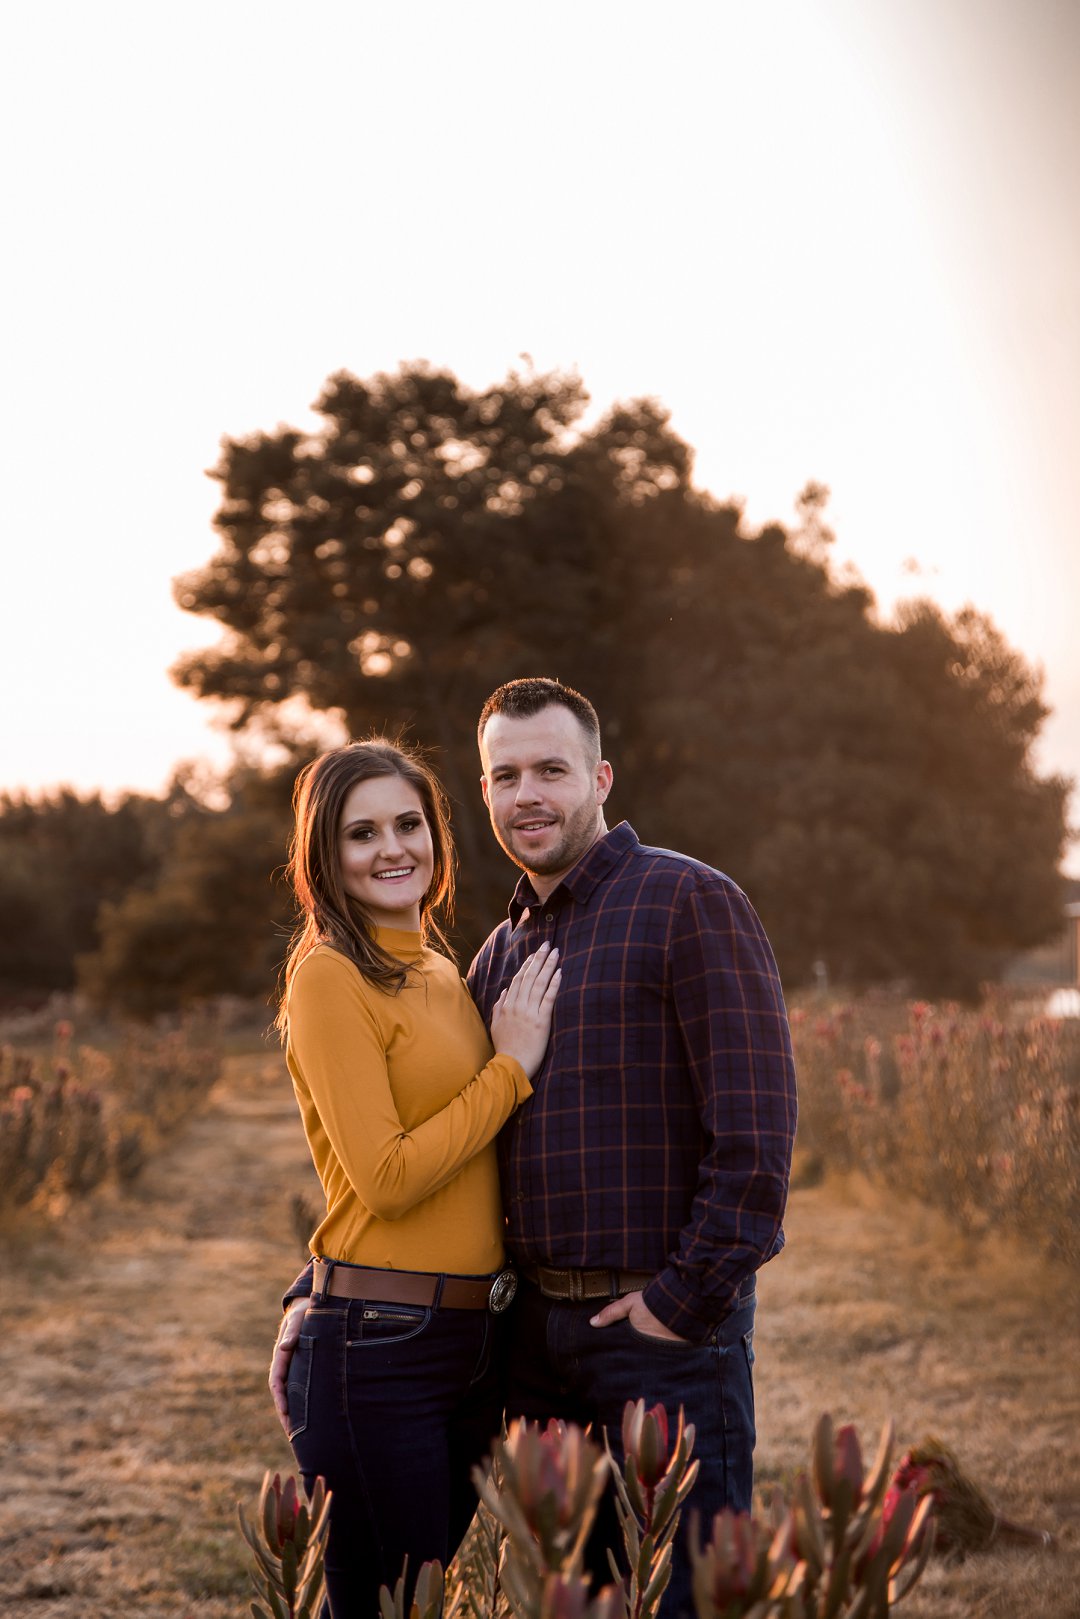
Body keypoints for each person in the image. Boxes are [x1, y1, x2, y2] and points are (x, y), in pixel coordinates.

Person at [467, 678, 798, 1617]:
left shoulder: (689, 901)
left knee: (688, 1597)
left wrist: (679, 1305)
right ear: (485, 793)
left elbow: (758, 1135)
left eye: (550, 770)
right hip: (536, 1347)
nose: (526, 793)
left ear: (600, 777)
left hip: (665, 1343)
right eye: (504, 775)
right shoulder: (496, 955)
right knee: (570, 1599)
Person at [269, 739, 560, 1619]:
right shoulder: (329, 977)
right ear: (325, 854)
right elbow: (387, 1177)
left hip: (473, 1341)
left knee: (411, 1597)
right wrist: (511, 1070)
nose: (393, 847)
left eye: (410, 823)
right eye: (363, 832)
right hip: (377, 1344)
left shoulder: (440, 967)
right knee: (387, 1604)